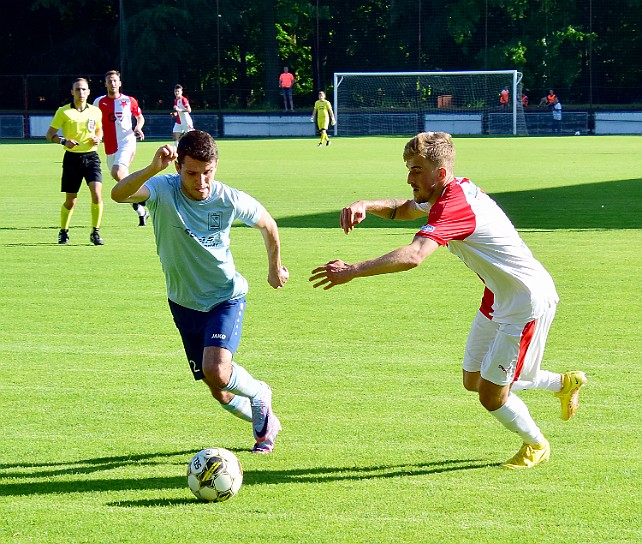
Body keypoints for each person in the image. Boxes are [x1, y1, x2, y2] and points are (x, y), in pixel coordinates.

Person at [309, 131, 588, 470]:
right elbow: (405, 209)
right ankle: (563, 383)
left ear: (439, 174)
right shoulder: (447, 191)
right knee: (473, 379)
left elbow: (414, 255)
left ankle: (536, 444)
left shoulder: (455, 205)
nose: (409, 177)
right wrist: (364, 204)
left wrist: (353, 270)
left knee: (491, 394)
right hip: (497, 295)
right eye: (409, 169)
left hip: (524, 303)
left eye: (415, 170)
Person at [111, 130, 289, 454]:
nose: (201, 181)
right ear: (178, 167)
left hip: (225, 296)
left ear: (216, 166)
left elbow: (269, 225)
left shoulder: (228, 199)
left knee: (216, 369)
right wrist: (152, 168)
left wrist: (274, 268)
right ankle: (265, 422)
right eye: (192, 173)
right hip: (183, 303)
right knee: (218, 389)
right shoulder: (162, 190)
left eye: (207, 172)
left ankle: (260, 393)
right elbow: (119, 194)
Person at [46, 77, 105, 245]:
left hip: (92, 157)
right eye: (78, 89)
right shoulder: (63, 112)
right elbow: (50, 135)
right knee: (71, 200)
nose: (81, 92)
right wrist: (64, 141)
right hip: (72, 159)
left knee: (97, 193)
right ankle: (63, 231)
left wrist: (98, 138)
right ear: (72, 92)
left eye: (84, 89)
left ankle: (95, 231)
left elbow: (99, 130)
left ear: (89, 92)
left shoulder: (95, 111)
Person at [93, 70, 148, 226]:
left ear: (120, 83)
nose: (112, 84)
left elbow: (139, 117)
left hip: (127, 141)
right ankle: (141, 210)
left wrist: (138, 127)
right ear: (105, 84)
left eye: (115, 80)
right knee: (122, 183)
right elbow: (94, 122)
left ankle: (143, 195)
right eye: (109, 81)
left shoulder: (128, 100)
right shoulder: (98, 102)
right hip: (110, 147)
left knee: (117, 172)